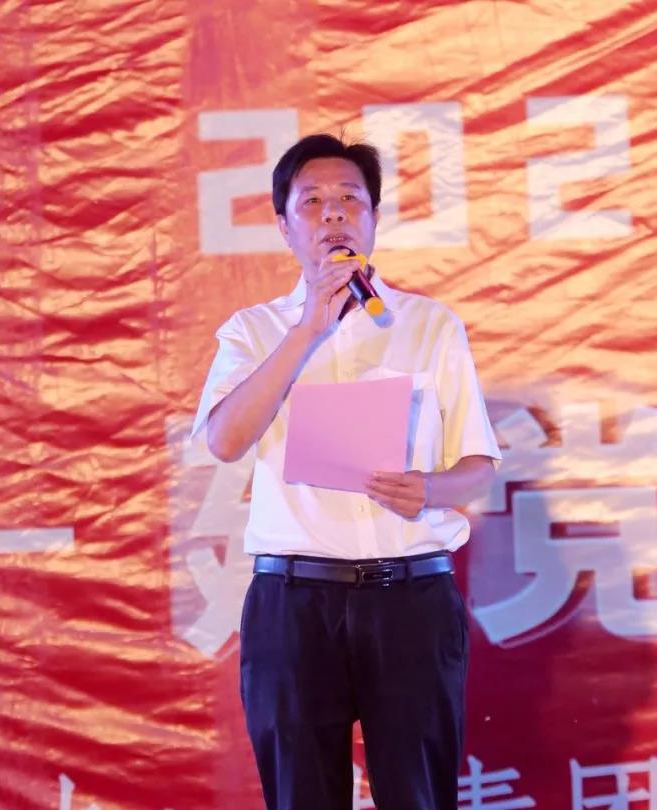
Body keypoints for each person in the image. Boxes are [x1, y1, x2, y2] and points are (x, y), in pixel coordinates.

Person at [191, 133, 500, 809]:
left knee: (419, 796)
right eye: (312, 201)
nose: (333, 213)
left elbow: (479, 468)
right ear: (283, 226)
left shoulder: (429, 325)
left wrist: (429, 490)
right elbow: (224, 440)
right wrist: (307, 328)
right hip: (294, 602)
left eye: (350, 199)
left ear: (374, 218)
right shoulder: (252, 331)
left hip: (411, 598)